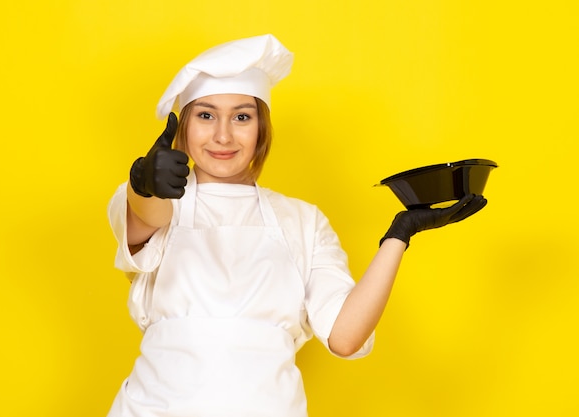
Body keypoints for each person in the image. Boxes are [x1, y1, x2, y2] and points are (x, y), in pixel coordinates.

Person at [106, 34, 487, 417]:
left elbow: (345, 337)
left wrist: (400, 234)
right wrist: (143, 183)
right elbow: (146, 215)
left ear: (261, 128)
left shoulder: (303, 221)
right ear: (184, 126)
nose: (223, 135)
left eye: (242, 116)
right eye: (205, 115)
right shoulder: (156, 199)